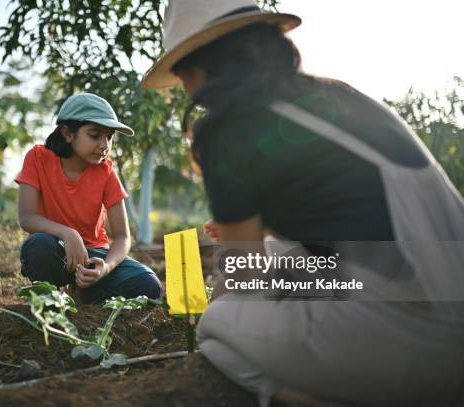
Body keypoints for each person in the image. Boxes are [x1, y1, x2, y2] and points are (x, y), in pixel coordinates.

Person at [143, 1, 464, 406]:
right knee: (283, 261)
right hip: (444, 299)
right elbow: (345, 217)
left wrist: (228, 281)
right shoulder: (339, 96)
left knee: (216, 328)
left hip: (422, 337)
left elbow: (242, 281)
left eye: (182, 76)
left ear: (197, 69)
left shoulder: (227, 131)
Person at [15, 93, 162, 304]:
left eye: (109, 137)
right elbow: (27, 218)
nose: (105, 145)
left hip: (94, 256)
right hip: (56, 252)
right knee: (39, 246)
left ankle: (84, 290)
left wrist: (106, 267)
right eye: (95, 135)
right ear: (67, 133)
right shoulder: (38, 158)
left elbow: (122, 237)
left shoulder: (106, 173)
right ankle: (52, 298)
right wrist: (67, 234)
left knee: (148, 285)